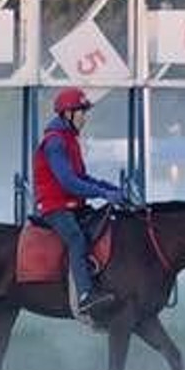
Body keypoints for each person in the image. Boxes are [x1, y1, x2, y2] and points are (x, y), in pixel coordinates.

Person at [32, 87, 132, 318]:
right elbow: (68, 182)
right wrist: (103, 194)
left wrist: (109, 188)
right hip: (54, 208)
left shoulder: (70, 140)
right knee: (76, 238)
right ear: (67, 114)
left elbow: (82, 178)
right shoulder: (55, 142)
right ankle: (86, 296)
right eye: (82, 113)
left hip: (72, 206)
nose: (85, 118)